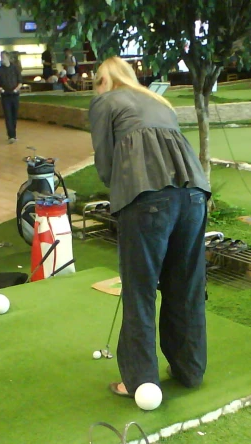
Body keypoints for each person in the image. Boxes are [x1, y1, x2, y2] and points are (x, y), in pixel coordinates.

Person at [88, 56, 210, 399]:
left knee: (140, 290)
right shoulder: (160, 101)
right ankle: (189, 370)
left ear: (104, 80)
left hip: (147, 199)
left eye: (97, 80)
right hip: (195, 195)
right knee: (185, 286)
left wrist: (120, 193)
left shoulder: (104, 102)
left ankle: (140, 381)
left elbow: (106, 162)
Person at [0, 51, 22, 144]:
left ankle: (14, 134)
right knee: (8, 115)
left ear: (8, 58)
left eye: (4, 57)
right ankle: (11, 136)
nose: (2, 59)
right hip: (5, 95)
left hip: (15, 95)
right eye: (1, 57)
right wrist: (1, 89)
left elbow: (20, 81)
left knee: (14, 115)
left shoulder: (15, 68)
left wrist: (16, 89)